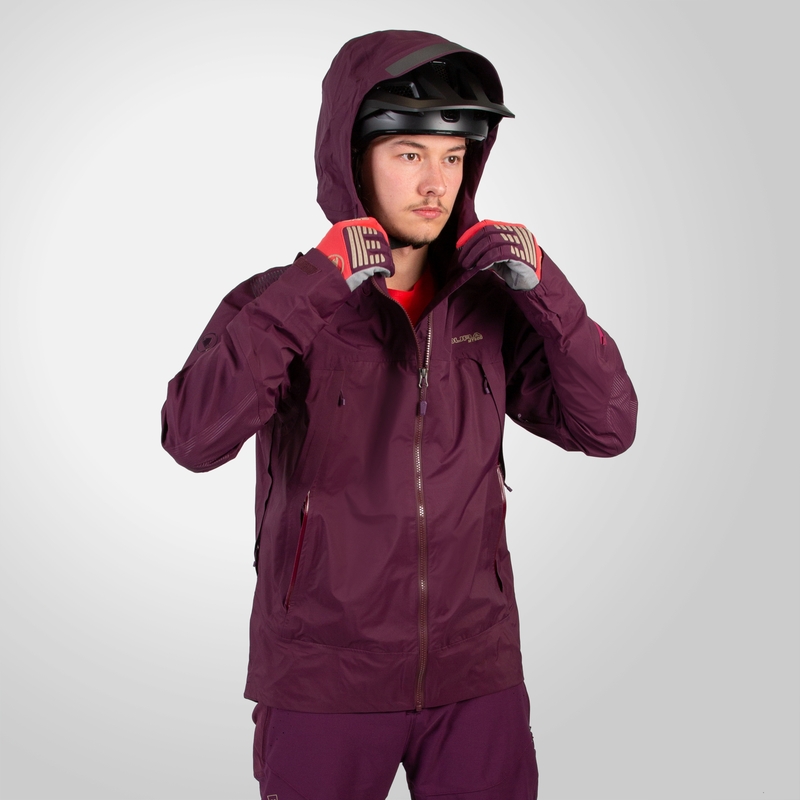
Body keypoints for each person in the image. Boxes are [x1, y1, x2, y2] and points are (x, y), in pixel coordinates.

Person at [161, 29, 637, 800]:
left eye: (453, 157)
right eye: (409, 153)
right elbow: (192, 436)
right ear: (353, 159)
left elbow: (609, 426)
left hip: (476, 675)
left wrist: (545, 288)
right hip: (325, 680)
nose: (435, 183)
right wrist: (318, 283)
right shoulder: (279, 302)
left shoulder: (492, 306)